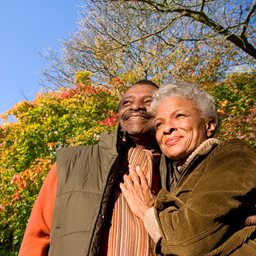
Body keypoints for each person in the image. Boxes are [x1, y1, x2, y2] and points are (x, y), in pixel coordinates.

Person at [19, 80, 165, 256]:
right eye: (127, 102)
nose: (135, 106)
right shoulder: (73, 164)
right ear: (119, 114)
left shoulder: (178, 170)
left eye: (147, 102)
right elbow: (36, 237)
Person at [120, 82, 256, 255]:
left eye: (179, 115)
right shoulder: (175, 177)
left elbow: (187, 242)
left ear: (209, 124)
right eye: (159, 124)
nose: (167, 128)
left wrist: (146, 209)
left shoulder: (233, 154)